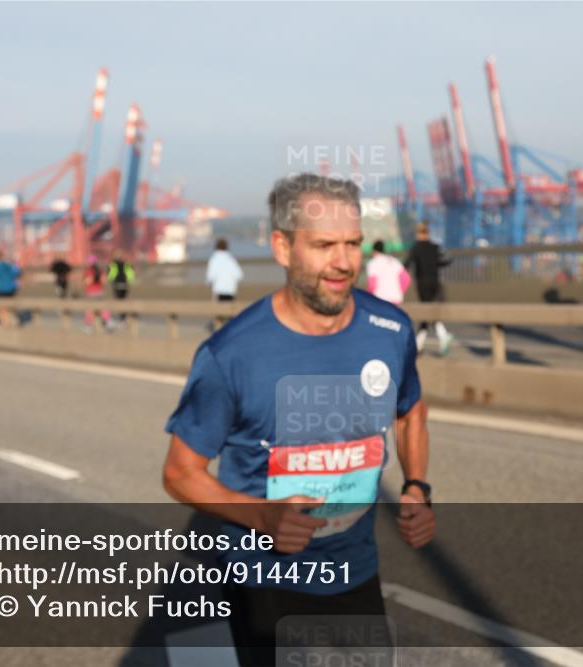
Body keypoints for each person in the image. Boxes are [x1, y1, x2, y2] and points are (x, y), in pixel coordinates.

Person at [163, 173, 435, 667]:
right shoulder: (230, 356)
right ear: (283, 248)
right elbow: (179, 472)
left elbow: (411, 409)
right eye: (324, 245)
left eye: (352, 243)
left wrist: (417, 486)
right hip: (264, 582)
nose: (344, 261)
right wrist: (262, 517)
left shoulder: (390, 330)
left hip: (356, 575)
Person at [404, 222, 455, 354]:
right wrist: (436, 264)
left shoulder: (416, 247)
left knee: (427, 312)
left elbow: (407, 264)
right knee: (428, 312)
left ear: (418, 233)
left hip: (423, 283)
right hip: (435, 283)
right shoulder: (435, 246)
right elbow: (447, 260)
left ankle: (443, 335)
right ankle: (418, 345)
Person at [206, 238, 243, 330]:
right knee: (229, 314)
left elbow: (210, 277)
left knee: (219, 315)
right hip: (231, 291)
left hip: (219, 290)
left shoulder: (214, 259)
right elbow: (239, 275)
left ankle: (220, 331)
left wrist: (210, 283)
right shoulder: (231, 259)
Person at [366, 239, 410, 305]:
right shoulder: (394, 261)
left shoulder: (372, 263)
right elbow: (406, 279)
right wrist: (399, 291)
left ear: (374, 251)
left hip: (380, 299)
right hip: (396, 299)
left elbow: (372, 285)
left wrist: (367, 297)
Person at [0, 251, 22, 326]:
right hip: (11, 288)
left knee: (2, 306)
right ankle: (13, 319)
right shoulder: (10, 266)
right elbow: (17, 273)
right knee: (11, 304)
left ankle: (4, 321)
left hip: (1, 289)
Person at [82, 254, 111, 332]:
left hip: (91, 292)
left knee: (90, 310)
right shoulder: (100, 270)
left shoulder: (88, 270)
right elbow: (104, 280)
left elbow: (88, 281)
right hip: (100, 292)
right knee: (103, 308)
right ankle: (107, 322)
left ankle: (88, 326)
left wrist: (85, 280)